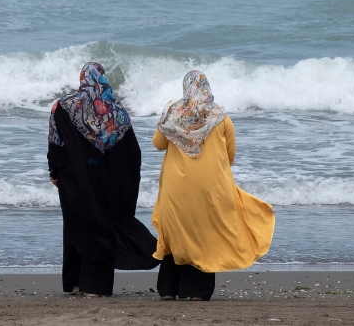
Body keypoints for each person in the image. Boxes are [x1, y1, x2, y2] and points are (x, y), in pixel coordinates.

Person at [151, 69, 275, 301]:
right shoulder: (220, 116)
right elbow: (230, 154)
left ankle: (169, 290)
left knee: (176, 231)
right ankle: (196, 292)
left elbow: (158, 143)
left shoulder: (172, 112)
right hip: (211, 186)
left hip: (175, 187)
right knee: (204, 232)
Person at [47, 62, 159, 297]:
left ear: (82, 79)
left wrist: (55, 172)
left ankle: (75, 282)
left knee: (77, 224)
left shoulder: (63, 106)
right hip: (109, 181)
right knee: (102, 225)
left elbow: (56, 143)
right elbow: (133, 152)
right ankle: (96, 286)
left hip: (75, 179)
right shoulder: (117, 112)